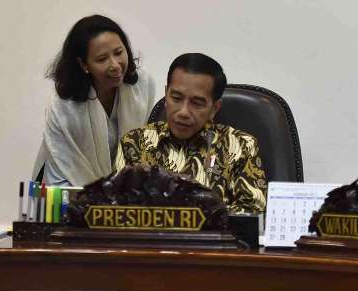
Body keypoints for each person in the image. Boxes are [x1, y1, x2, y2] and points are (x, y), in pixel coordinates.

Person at [114, 53, 267, 213]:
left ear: (214, 108)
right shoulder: (134, 143)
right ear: (166, 95)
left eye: (197, 103)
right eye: (176, 98)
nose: (184, 112)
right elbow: (117, 209)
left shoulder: (240, 146)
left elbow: (252, 214)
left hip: (215, 238)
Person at [32, 15, 156, 186]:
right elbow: (62, 173)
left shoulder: (142, 84)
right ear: (84, 65)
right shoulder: (63, 107)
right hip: (67, 192)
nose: (115, 65)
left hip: (127, 196)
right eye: (102, 59)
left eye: (119, 52)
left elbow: (147, 145)